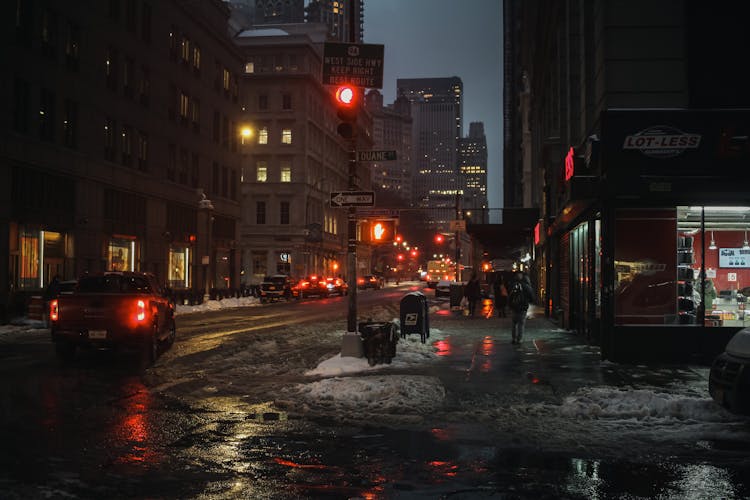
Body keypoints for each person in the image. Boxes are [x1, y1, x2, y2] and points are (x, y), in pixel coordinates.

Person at [508, 272, 534, 344]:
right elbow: (532, 297)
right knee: (521, 324)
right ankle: (519, 339)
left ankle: (514, 338)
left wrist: (510, 305)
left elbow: (509, 296)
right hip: (523, 307)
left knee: (514, 323)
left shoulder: (513, 285)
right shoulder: (526, 286)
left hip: (514, 306)